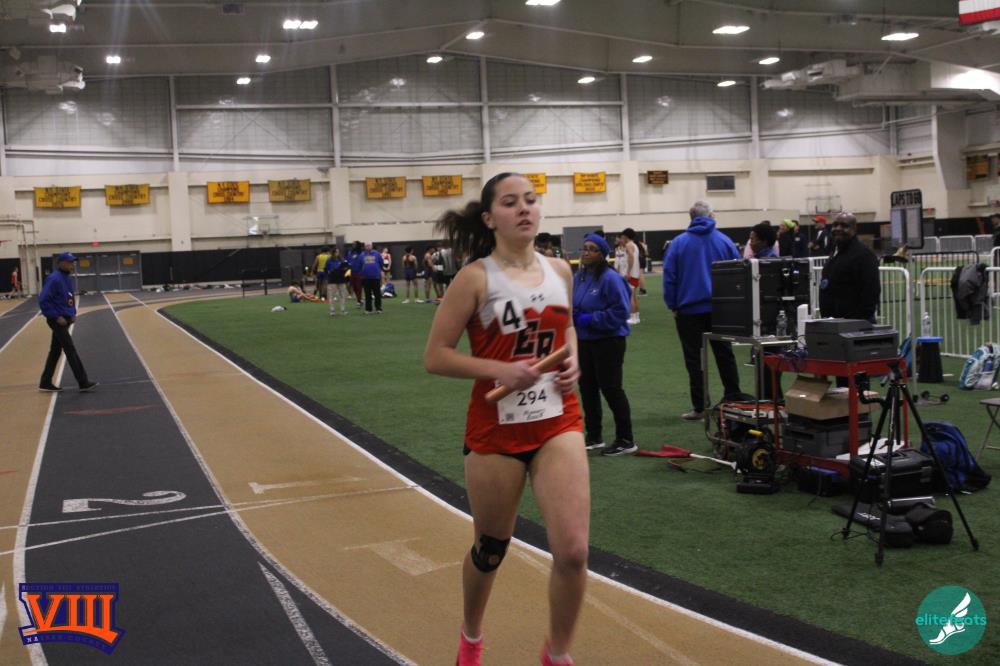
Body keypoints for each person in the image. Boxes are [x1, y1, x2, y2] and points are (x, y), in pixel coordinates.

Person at [423, 172, 587, 666]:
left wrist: (573, 360)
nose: (524, 209)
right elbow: (436, 356)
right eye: (511, 202)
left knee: (574, 551)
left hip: (558, 420)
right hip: (496, 431)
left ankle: (557, 654)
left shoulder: (560, 270)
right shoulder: (475, 278)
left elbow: (566, 328)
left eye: (531, 200)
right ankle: (471, 638)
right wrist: (499, 370)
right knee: (491, 548)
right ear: (490, 218)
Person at [663, 201, 742, 420]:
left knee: (694, 359)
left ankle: (700, 407)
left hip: (688, 311)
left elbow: (669, 277)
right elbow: (738, 273)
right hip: (721, 309)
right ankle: (733, 399)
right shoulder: (725, 241)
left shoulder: (678, 243)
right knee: (725, 355)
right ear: (711, 216)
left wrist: (672, 304)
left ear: (691, 217)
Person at [574, 233, 635, 456]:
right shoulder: (579, 277)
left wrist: (591, 319)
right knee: (587, 388)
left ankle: (626, 439)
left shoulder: (611, 278)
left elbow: (620, 312)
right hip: (584, 341)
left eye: (593, 249)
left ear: (602, 255)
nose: (586, 252)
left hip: (609, 341)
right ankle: (594, 436)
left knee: (611, 388)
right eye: (585, 248)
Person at [38, 252, 97, 393]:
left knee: (55, 351)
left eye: (73, 262)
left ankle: (45, 382)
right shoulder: (54, 279)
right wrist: (56, 316)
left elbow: (69, 298)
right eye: (70, 262)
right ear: (61, 263)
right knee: (70, 349)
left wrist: (72, 313)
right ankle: (83, 382)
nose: (72, 265)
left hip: (65, 319)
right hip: (57, 320)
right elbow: (43, 300)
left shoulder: (67, 278)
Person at [818, 212, 880, 322]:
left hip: (855, 325)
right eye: (835, 225)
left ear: (854, 229)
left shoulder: (864, 254)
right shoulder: (835, 252)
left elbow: (871, 292)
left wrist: (857, 321)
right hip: (833, 323)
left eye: (844, 226)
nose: (838, 228)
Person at [614, 229, 641, 325]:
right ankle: (636, 316)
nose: (621, 239)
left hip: (631, 274)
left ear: (626, 236)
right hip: (635, 273)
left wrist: (628, 272)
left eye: (622, 237)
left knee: (630, 296)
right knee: (634, 296)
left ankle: (633, 317)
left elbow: (631, 257)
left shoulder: (628, 245)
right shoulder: (635, 245)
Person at [325, 246, 350, 315]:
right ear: (333, 253)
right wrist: (331, 271)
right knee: (331, 295)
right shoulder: (329, 260)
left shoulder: (342, 260)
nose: (337, 253)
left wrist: (345, 269)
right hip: (332, 279)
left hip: (341, 279)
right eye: (336, 252)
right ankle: (332, 310)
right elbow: (327, 269)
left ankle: (343, 309)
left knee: (342, 295)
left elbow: (346, 268)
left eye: (338, 252)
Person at [360, 242, 384, 314]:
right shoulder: (362, 255)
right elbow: (360, 264)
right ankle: (368, 309)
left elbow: (381, 263)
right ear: (365, 247)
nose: (368, 247)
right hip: (366, 277)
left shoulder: (377, 254)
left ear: (372, 246)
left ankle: (378, 308)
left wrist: (378, 271)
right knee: (367, 294)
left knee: (377, 294)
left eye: (369, 245)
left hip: (376, 277)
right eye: (366, 246)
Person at [348, 241, 365, 306]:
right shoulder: (350, 253)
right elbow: (348, 261)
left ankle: (359, 300)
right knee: (354, 286)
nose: (353, 246)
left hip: (359, 272)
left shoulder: (362, 254)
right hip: (352, 272)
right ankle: (359, 299)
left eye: (355, 244)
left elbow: (363, 262)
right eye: (353, 244)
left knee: (359, 287)